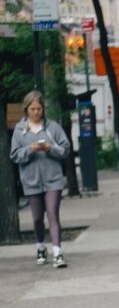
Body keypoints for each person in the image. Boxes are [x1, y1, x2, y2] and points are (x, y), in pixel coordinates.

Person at [9, 90, 70, 268]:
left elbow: (65, 149)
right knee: (37, 218)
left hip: (53, 179)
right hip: (31, 180)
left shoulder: (53, 128)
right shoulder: (20, 131)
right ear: (26, 109)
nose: (36, 112)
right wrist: (31, 149)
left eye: (39, 109)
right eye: (32, 109)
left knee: (52, 214)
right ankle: (40, 247)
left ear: (43, 109)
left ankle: (58, 253)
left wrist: (50, 148)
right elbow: (14, 155)